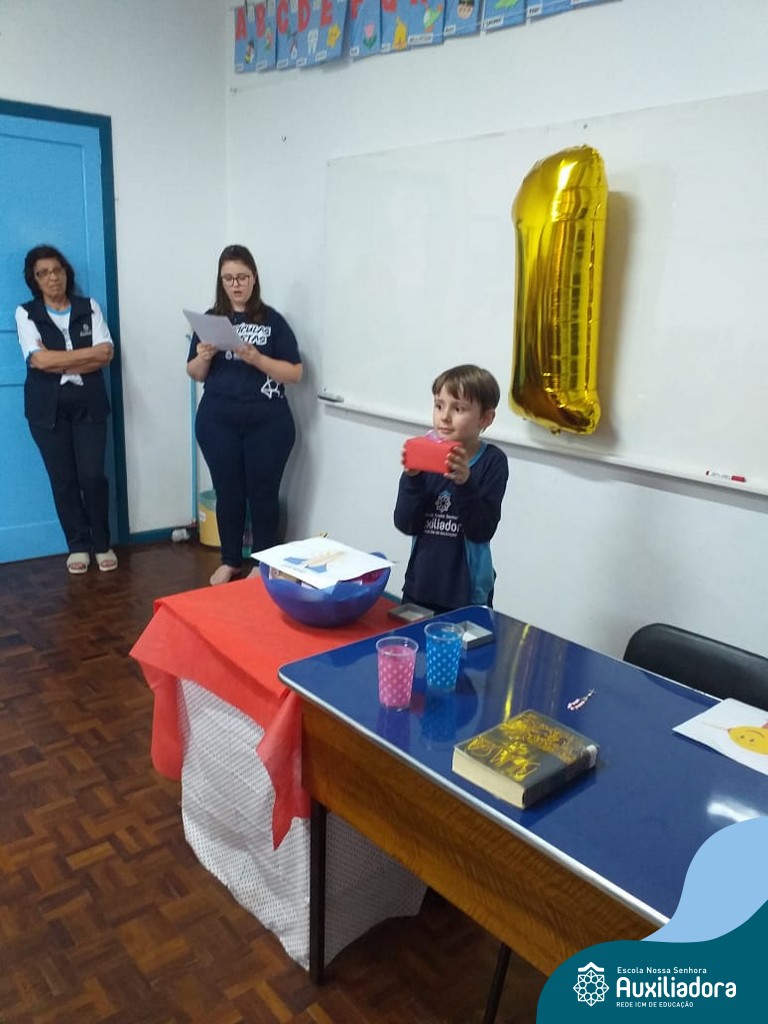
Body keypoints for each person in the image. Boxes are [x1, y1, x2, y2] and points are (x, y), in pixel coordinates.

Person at [187, 244, 303, 586]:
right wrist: (204, 355)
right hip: (217, 420)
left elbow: (295, 373)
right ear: (220, 281)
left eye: (242, 277)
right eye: (228, 278)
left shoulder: (273, 321)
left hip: (268, 422)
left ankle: (263, 563)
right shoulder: (211, 321)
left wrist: (257, 359)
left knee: (263, 493)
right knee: (228, 492)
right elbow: (194, 372)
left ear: (254, 278)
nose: (235, 284)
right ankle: (230, 560)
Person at [15, 245, 117, 575]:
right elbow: (38, 360)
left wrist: (56, 361)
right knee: (63, 480)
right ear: (34, 279)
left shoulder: (89, 307)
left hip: (90, 405)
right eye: (43, 273)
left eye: (56, 270)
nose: (52, 278)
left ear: (66, 273)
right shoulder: (26, 313)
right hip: (47, 410)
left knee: (93, 476)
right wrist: (85, 357)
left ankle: (102, 543)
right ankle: (78, 545)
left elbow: (106, 354)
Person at [394, 364, 508, 612]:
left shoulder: (492, 461)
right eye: (439, 406)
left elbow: (482, 530)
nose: (444, 417)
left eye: (458, 408)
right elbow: (405, 524)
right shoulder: (425, 456)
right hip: (420, 587)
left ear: (485, 418)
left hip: (466, 594)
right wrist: (411, 478)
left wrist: (464, 482)